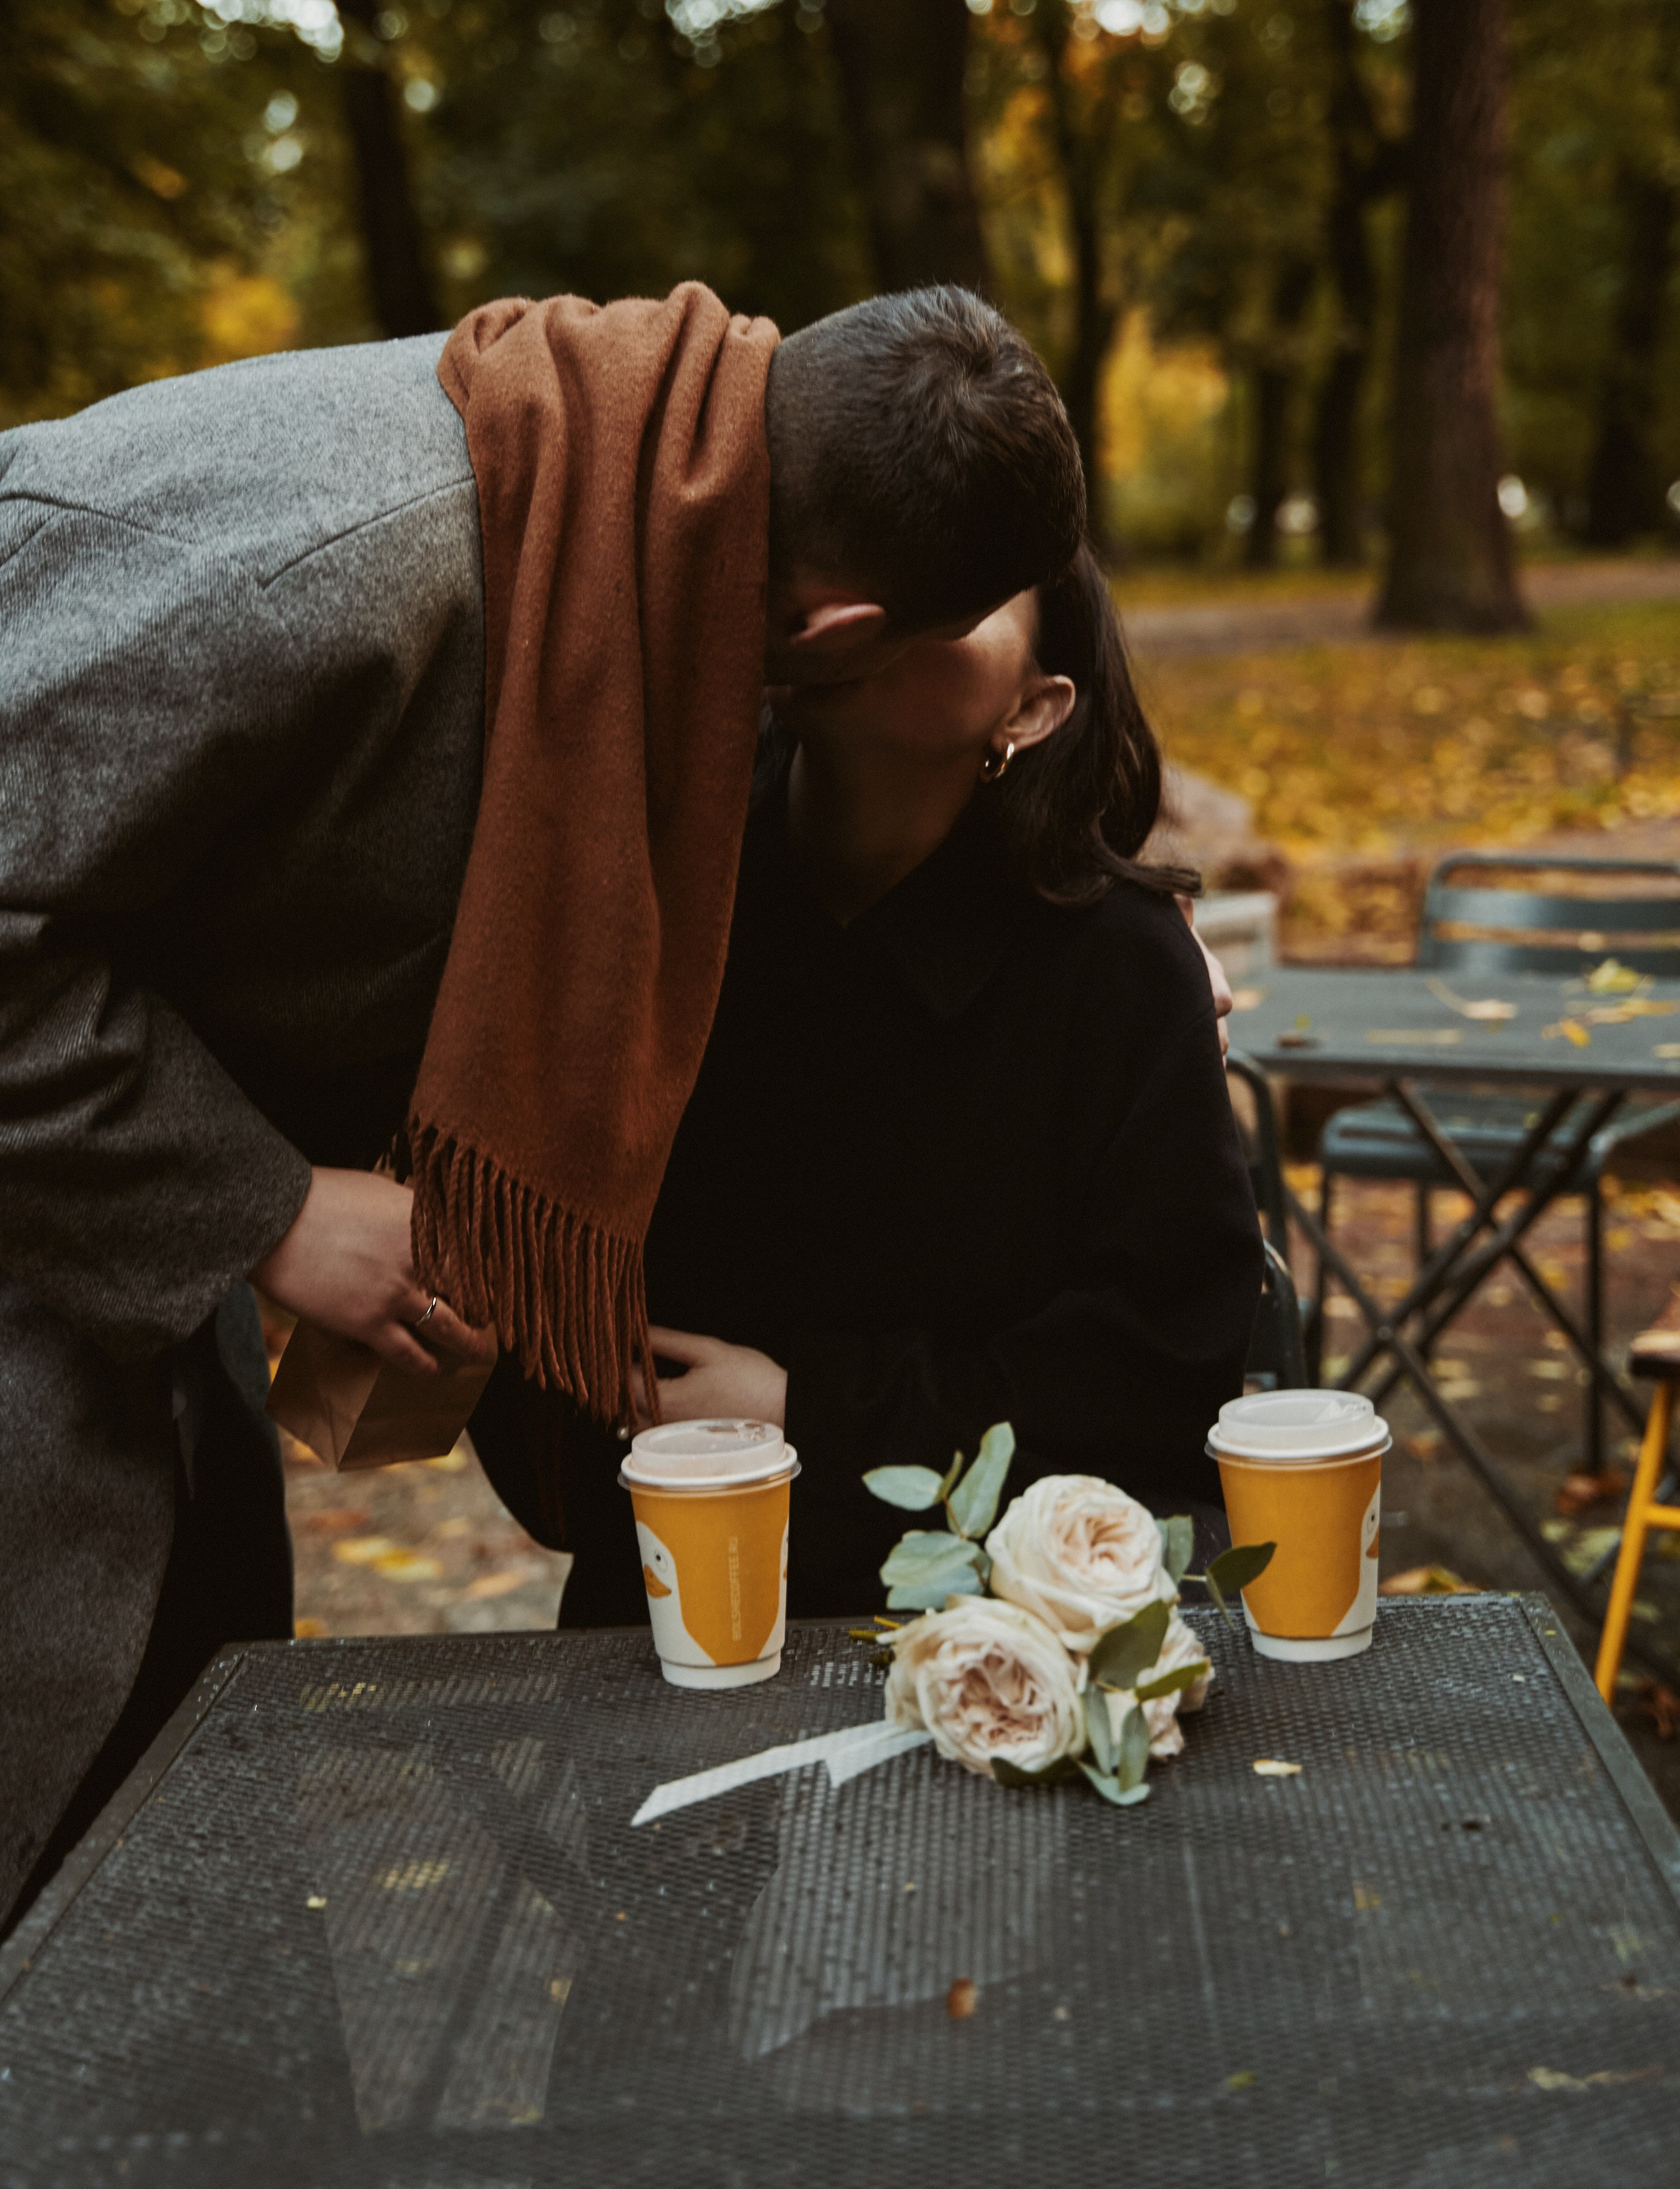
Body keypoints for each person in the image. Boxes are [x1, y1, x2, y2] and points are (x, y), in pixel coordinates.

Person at [0, 282, 1087, 1928]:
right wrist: (271, 1208)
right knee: (80, 1869)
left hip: (108, 1261)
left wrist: (1096, 953)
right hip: (55, 1259)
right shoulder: (347, 571)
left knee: (186, 1809)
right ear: (836, 635)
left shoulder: (646, 482)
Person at [474, 544, 1263, 1625]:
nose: (861, 616)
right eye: (849, 565)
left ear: (1033, 709)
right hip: (677, 1597)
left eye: (954, 592)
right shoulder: (644, 888)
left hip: (1013, 1621)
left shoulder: (1119, 966)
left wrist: (812, 1414)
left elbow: (1161, 1374)